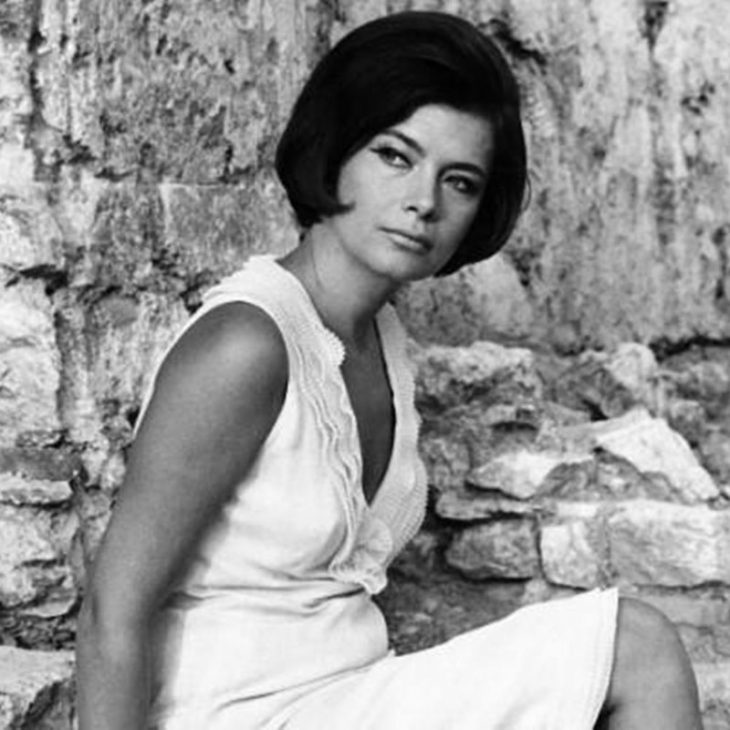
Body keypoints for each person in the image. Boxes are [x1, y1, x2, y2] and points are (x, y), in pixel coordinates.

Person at [75, 10, 703, 730]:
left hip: (348, 697)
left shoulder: (380, 338)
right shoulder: (246, 343)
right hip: (240, 714)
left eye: (459, 181)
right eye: (395, 156)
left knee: (634, 648)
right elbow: (111, 614)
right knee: (636, 646)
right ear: (335, 147)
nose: (423, 203)